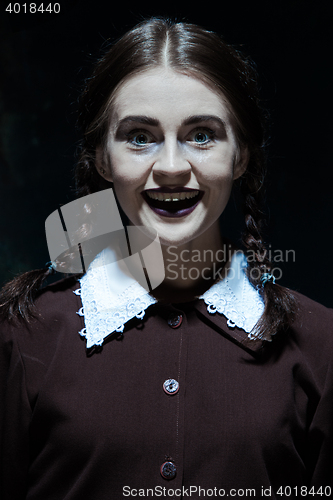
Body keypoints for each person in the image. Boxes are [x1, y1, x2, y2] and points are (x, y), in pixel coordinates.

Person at [1, 17, 332, 499]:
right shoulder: (21, 336)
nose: (173, 167)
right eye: (139, 136)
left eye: (202, 135)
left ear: (240, 157)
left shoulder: (321, 345)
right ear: (102, 158)